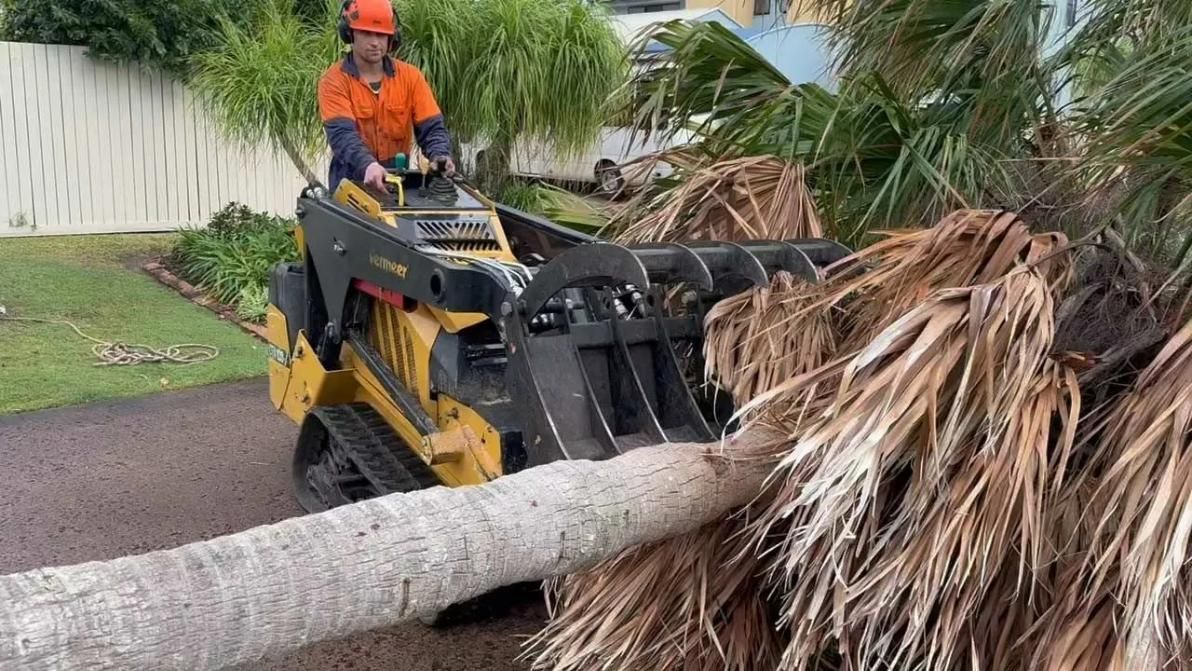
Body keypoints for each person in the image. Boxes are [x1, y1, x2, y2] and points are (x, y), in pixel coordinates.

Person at [317, 0, 455, 192]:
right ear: (350, 33)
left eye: (381, 35)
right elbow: (342, 136)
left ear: (392, 38)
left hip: (398, 185)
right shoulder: (334, 81)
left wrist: (440, 155)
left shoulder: (411, 77)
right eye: (366, 33)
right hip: (351, 186)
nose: (375, 42)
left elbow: (431, 128)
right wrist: (368, 165)